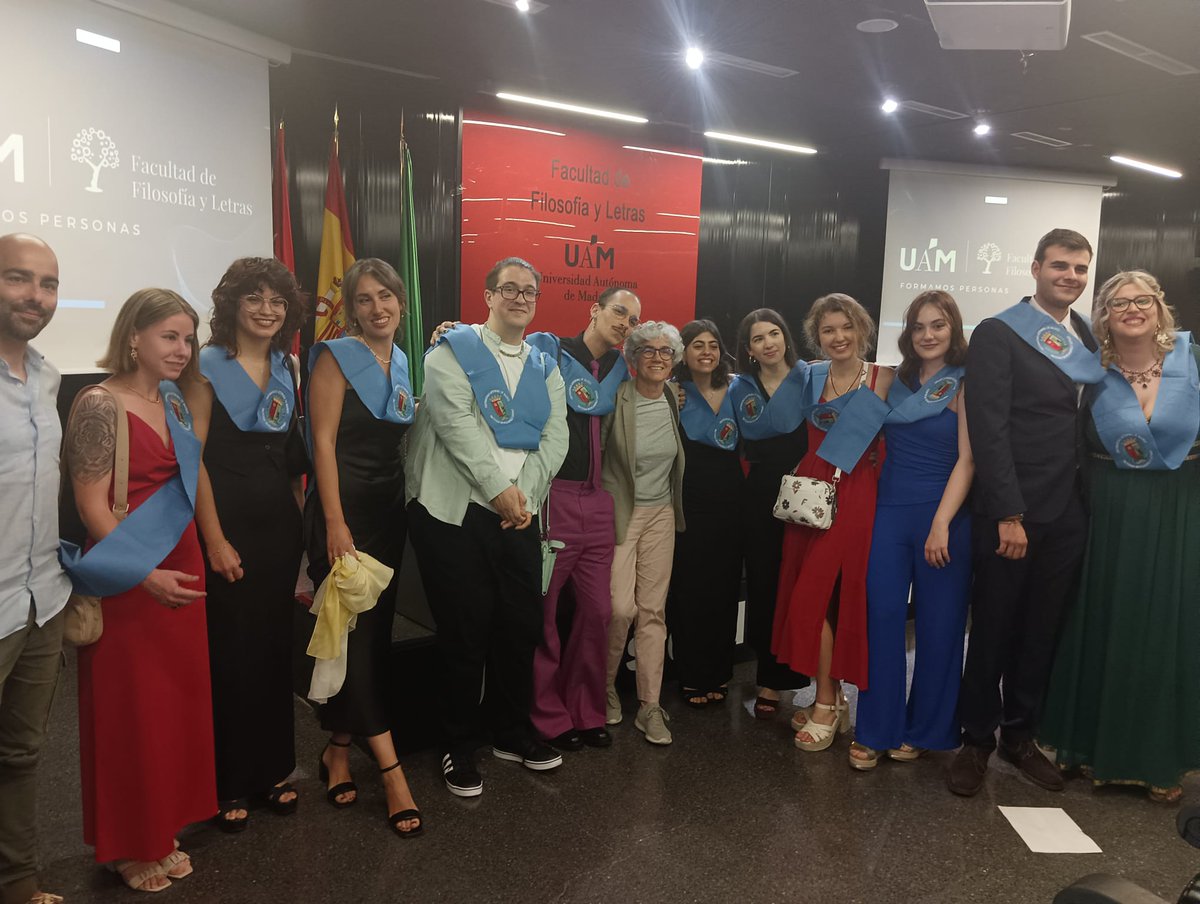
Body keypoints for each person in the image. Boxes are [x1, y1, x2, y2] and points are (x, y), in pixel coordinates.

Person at [64, 289, 216, 892]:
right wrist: (141, 574)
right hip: (133, 573)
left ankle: (162, 828)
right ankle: (129, 845)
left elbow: (187, 477)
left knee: (172, 707)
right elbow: (90, 505)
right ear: (134, 336)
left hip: (182, 564)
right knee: (132, 710)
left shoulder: (174, 399)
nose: (181, 350)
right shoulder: (99, 402)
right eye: (168, 337)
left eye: (187, 338)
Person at [948, 228, 1104, 797]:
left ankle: (1020, 735)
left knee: (1042, 629)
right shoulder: (998, 333)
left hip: (1069, 509)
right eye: (1060, 266)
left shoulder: (1085, 336)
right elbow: (989, 429)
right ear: (1036, 269)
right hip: (1012, 510)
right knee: (992, 626)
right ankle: (975, 741)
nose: (1071, 276)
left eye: (1080, 269)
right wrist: (1008, 512)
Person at [407, 257, 568, 797]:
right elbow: (455, 427)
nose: (520, 298)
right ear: (488, 294)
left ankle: (510, 730)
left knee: (519, 627)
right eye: (509, 289)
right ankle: (457, 743)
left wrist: (527, 497)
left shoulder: (545, 365)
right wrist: (500, 494)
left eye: (530, 290)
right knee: (464, 630)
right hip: (456, 511)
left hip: (519, 511)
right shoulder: (451, 352)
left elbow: (557, 437)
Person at [1040, 270, 1200, 804]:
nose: (1132, 309)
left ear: (1159, 307)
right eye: (1118, 303)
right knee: (1106, 618)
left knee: (1165, 624)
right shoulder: (1092, 373)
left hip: (1179, 509)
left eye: (1143, 300)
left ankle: (1157, 758)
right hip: (1107, 510)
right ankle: (1088, 748)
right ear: (1103, 316)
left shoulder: (1191, 362)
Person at [184, 258, 308, 832]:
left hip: (277, 529)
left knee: (272, 649)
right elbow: (196, 461)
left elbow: (289, 464)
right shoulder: (204, 368)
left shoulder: (289, 366)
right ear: (231, 304)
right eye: (255, 298)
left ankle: (273, 769)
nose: (266, 309)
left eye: (277, 301)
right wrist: (214, 540)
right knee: (229, 654)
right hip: (226, 526)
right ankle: (226, 779)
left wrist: (302, 534)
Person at [304, 258, 422, 837]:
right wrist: (333, 521)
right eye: (366, 300)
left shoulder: (401, 360)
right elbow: (321, 445)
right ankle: (392, 770)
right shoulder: (335, 357)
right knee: (352, 633)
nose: (378, 308)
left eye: (387, 298)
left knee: (369, 639)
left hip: (387, 510)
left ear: (401, 303)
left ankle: (338, 750)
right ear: (351, 309)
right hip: (342, 511)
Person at [851, 291, 973, 770]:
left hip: (944, 517)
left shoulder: (966, 382)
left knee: (940, 627)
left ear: (953, 330)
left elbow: (969, 459)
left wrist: (941, 523)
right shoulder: (891, 380)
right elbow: (854, 438)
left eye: (938, 326)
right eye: (919, 326)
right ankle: (875, 728)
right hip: (889, 514)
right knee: (879, 617)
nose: (927, 335)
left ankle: (927, 729)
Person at [773, 293, 893, 752]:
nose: (838, 337)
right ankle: (835, 696)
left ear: (861, 328)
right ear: (817, 337)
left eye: (846, 327)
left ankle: (825, 700)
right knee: (811, 600)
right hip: (810, 495)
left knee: (821, 600)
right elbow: (772, 419)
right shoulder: (810, 375)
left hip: (857, 493)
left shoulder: (885, 378)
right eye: (828, 330)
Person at [525, 287, 639, 751]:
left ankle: (586, 710)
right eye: (619, 312)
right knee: (546, 614)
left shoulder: (617, 370)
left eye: (633, 319)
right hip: (554, 497)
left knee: (598, 612)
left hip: (598, 501)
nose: (625, 323)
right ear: (594, 311)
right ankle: (547, 716)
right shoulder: (549, 350)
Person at [0, 234, 73, 904]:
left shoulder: (48, 376)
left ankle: (17, 884)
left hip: (39, 600)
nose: (34, 296)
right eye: (18, 279)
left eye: (47, 284)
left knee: (21, 758)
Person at [602, 321, 686, 744]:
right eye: (647, 351)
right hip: (622, 513)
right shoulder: (616, 398)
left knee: (653, 612)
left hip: (661, 514)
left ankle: (650, 706)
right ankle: (603, 690)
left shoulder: (673, 395)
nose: (657, 357)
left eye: (665, 351)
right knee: (620, 610)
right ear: (632, 358)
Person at [728, 309, 812, 719]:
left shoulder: (810, 378)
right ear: (750, 350)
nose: (769, 343)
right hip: (759, 497)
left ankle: (801, 678)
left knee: (799, 585)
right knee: (764, 587)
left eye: (774, 333)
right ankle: (768, 678)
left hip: (806, 493)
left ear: (785, 337)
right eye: (759, 338)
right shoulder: (739, 387)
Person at [668, 319, 743, 707]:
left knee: (724, 588)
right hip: (687, 501)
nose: (707, 352)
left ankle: (718, 671)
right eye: (698, 345)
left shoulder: (737, 388)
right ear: (683, 351)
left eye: (713, 344)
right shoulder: (672, 392)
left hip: (731, 502)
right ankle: (692, 674)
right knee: (689, 589)